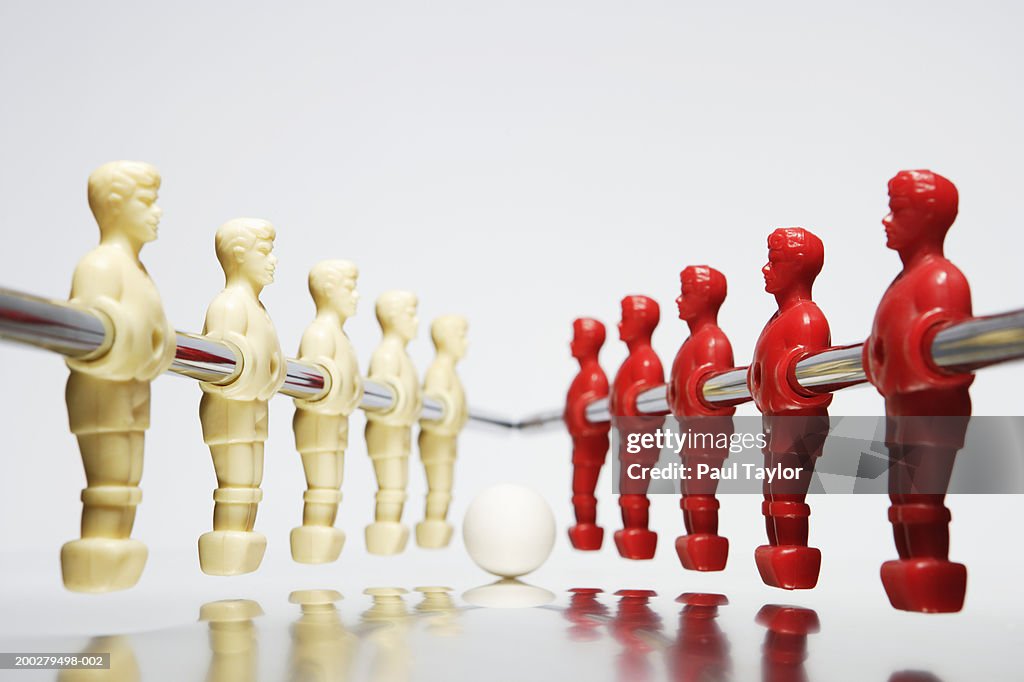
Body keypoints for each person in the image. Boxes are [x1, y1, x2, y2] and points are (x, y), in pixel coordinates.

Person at [62, 160, 177, 593]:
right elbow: (100, 320)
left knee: (128, 481)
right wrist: (143, 335)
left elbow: (155, 330)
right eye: (147, 202)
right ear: (114, 205)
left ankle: (117, 563)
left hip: (132, 389)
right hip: (102, 394)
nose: (157, 212)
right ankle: (97, 562)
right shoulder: (100, 265)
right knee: (109, 483)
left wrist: (157, 340)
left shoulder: (139, 273)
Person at [864, 170, 971, 613]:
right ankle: (913, 574)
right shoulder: (903, 283)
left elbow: (930, 350)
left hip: (931, 416)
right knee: (902, 501)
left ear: (928, 218)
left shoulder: (941, 279)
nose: (886, 220)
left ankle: (931, 571)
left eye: (898, 210)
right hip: (901, 411)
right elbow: (884, 349)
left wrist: (895, 356)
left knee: (923, 501)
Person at [198, 218, 286, 575]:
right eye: (265, 252)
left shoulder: (258, 310)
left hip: (252, 411)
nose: (273, 260)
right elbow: (222, 357)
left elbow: (271, 361)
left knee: (250, 486)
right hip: (230, 414)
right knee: (235, 485)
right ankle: (225, 554)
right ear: (238, 255)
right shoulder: (229, 305)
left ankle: (239, 555)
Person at [748, 227, 831, 590]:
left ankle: (794, 560)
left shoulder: (807, 318)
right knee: (773, 499)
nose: (765, 269)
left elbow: (805, 379)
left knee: (786, 499)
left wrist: (775, 380)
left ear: (797, 268)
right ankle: (781, 559)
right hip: (776, 424)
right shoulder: (779, 320)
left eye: (774, 261)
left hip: (797, 428)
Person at [291, 260, 363, 563]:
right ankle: (314, 543)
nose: (356, 296)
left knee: (331, 487)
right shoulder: (320, 333)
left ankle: (321, 544)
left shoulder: (339, 336)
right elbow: (317, 381)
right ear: (329, 290)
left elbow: (349, 381)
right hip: (318, 425)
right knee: (322, 487)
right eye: (350, 288)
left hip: (334, 424)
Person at [667, 265, 735, 572]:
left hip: (707, 435)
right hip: (691, 433)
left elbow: (710, 393)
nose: (678, 300)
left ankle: (706, 544)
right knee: (691, 494)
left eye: (686, 293)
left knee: (700, 494)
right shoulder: (692, 342)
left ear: (706, 299)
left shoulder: (713, 342)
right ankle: (698, 544)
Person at [364, 290, 422, 554]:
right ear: (392, 317)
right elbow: (387, 393)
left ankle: (389, 539)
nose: (416, 321)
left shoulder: (402, 356)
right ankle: (384, 539)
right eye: (411, 315)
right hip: (386, 434)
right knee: (390, 487)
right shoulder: (386, 355)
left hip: (399, 433)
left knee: (397, 487)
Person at [611, 295, 664, 560]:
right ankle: (633, 536)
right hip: (629, 442)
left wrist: (627, 404)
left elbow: (642, 407)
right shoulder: (633, 361)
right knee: (628, 493)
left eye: (625, 318)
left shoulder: (645, 361)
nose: (619, 324)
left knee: (633, 493)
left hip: (640, 443)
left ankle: (638, 536)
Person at [416, 315, 469, 548]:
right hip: (436, 443)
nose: (465, 342)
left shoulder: (449, 371)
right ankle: (432, 534)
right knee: (438, 489)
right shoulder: (438, 371)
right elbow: (437, 406)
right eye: (461, 336)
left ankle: (435, 534)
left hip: (446, 442)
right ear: (445, 339)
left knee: (443, 490)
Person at [565, 317, 610, 550]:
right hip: (581, 447)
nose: (571, 343)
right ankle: (585, 530)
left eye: (577, 338)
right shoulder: (584, 376)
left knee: (583, 493)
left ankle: (588, 531)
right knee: (580, 492)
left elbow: (592, 415)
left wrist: (580, 412)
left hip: (590, 448)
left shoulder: (594, 377)